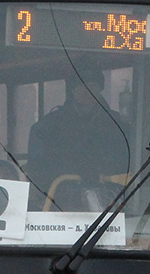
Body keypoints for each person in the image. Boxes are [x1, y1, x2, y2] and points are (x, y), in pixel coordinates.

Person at [26, 67, 131, 209]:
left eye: (93, 86)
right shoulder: (49, 126)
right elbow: (38, 167)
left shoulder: (118, 125)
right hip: (60, 203)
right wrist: (74, 172)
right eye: (81, 86)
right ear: (72, 90)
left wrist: (100, 174)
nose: (87, 92)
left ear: (100, 90)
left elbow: (126, 163)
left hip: (111, 201)